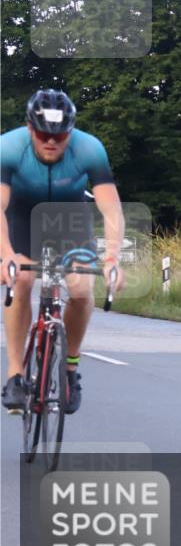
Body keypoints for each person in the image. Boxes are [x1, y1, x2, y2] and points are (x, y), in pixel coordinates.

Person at [1, 89, 126, 414]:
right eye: (43, 134)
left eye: (60, 135)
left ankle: (69, 368)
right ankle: (15, 374)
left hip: (70, 213)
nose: (52, 142)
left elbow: (111, 209)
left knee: (83, 290)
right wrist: (7, 255)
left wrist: (113, 257)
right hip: (22, 212)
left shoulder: (90, 148)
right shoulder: (9, 147)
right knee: (22, 281)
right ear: (30, 129)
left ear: (70, 132)